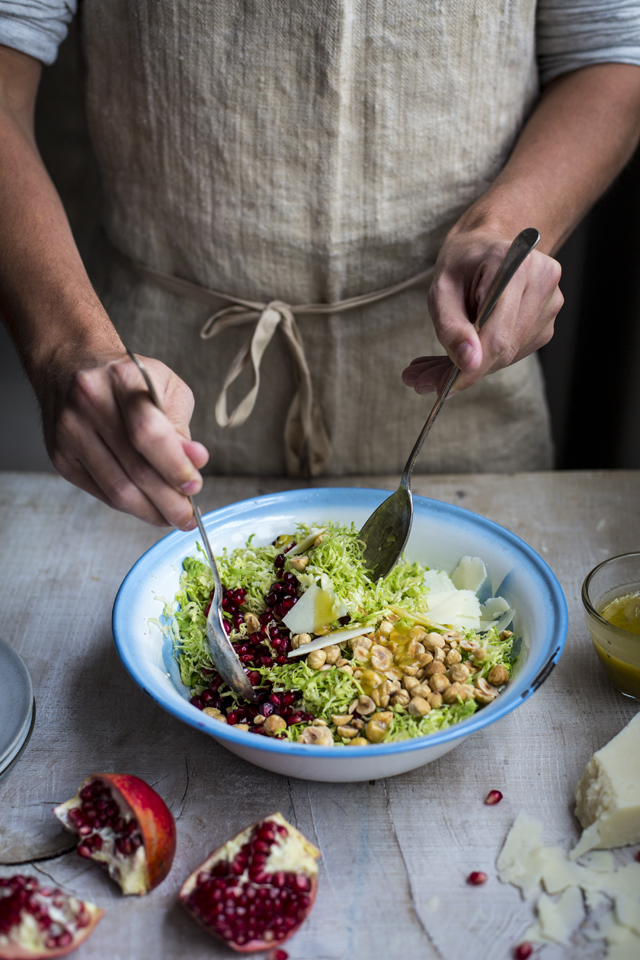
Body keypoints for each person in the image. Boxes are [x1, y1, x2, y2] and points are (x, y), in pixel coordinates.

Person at [1, 2, 639, 532]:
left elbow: (611, 52)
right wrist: (67, 345)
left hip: (458, 391)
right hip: (153, 393)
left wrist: (501, 228)